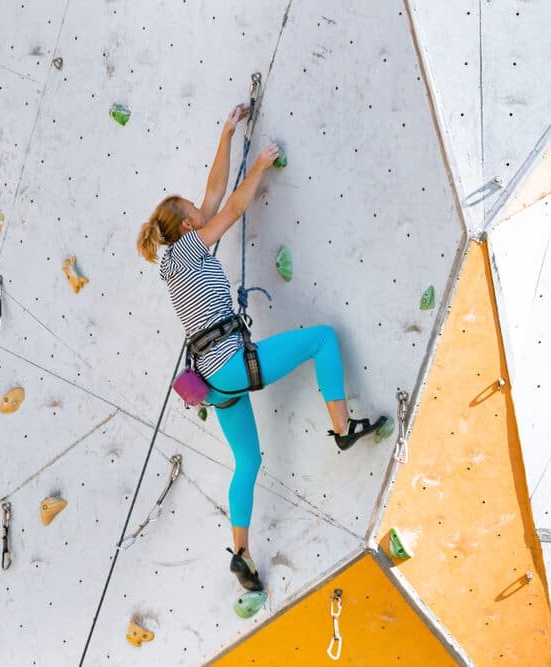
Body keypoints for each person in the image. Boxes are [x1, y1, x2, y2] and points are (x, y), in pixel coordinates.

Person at [135, 103, 385, 593]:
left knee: (247, 463)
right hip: (229, 362)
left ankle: (242, 554)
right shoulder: (192, 246)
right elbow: (228, 207)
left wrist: (227, 130)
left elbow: (212, 195)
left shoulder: (173, 257)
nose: (198, 207)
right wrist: (260, 165)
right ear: (186, 224)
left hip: (212, 382)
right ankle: (341, 428)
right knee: (322, 339)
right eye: (191, 210)